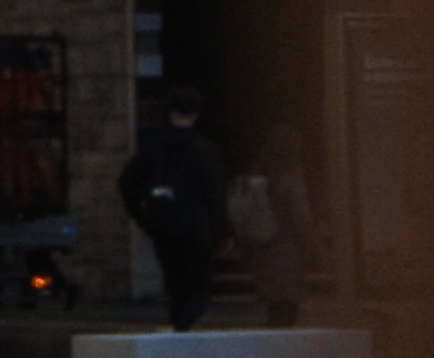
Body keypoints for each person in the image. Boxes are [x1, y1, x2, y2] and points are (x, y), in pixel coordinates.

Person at [119, 87, 228, 331]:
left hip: (163, 225)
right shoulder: (204, 150)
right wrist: (218, 228)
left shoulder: (152, 149)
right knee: (199, 287)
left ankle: (177, 328)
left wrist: (142, 217)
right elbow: (215, 194)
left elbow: (127, 183)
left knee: (175, 284)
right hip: (195, 226)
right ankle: (181, 327)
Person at [234, 122, 321, 329]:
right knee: (287, 312)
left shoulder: (258, 176)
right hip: (286, 252)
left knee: (274, 313)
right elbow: (302, 220)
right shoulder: (291, 179)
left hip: (262, 249)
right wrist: (317, 251)